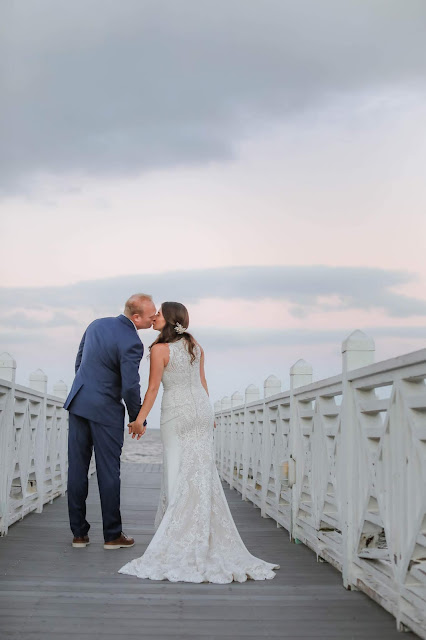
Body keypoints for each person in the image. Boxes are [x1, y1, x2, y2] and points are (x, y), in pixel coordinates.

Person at [118, 301, 280, 583]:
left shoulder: (159, 349)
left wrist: (140, 420)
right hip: (201, 412)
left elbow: (154, 388)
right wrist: (210, 415)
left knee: (176, 471)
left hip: (177, 413)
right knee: (201, 472)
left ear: (169, 320)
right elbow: (202, 382)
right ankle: (199, 529)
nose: (154, 317)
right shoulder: (195, 345)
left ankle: (177, 533)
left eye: (158, 315)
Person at [64, 294, 156, 549]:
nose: (154, 318)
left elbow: (79, 361)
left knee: (77, 469)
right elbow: (130, 386)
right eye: (151, 315)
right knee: (108, 471)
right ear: (136, 317)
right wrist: (138, 417)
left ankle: (79, 535)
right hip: (105, 411)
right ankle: (112, 535)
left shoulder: (96, 324)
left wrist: (86, 390)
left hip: (79, 402)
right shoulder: (133, 342)